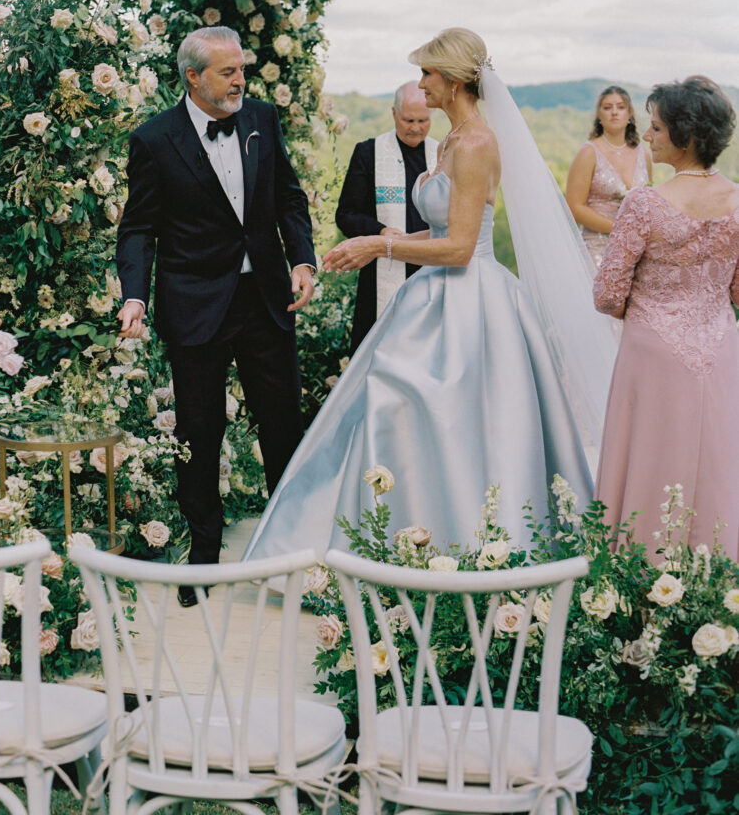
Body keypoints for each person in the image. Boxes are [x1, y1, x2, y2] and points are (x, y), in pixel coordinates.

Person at [244, 28, 617, 564]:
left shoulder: (479, 143)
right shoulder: (450, 140)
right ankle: (396, 539)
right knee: (393, 402)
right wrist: (380, 246)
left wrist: (381, 244)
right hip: (433, 296)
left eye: (427, 73)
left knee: (458, 422)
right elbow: (438, 232)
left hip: (474, 305)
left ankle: (472, 545)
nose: (421, 84)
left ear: (454, 78)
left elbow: (462, 248)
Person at [116, 26, 316, 604]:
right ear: (193, 78)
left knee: (282, 427)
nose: (240, 80)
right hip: (195, 306)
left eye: (242, 69)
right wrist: (135, 296)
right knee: (199, 434)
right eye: (228, 71)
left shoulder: (261, 120)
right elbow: (138, 230)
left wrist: (302, 259)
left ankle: (291, 553)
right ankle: (203, 558)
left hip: (266, 303)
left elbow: (288, 198)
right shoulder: (154, 140)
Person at [594, 76, 739, 562]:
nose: (648, 136)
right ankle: (718, 574)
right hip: (719, 346)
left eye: (656, 128)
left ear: (687, 135)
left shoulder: (644, 203)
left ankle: (638, 575)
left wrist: (652, 310)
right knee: (718, 460)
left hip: (651, 353)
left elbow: (608, 293)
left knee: (649, 460)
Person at [335, 82, 438, 352]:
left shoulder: (443, 156)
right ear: (394, 114)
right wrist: (379, 232)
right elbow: (346, 214)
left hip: (431, 268)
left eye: (423, 120)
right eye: (408, 120)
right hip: (382, 270)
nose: (416, 127)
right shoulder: (368, 153)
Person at [565, 85, 651, 267]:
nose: (614, 112)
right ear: (599, 115)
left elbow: (649, 203)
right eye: (607, 107)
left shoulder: (643, 154)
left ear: (630, 114)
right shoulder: (588, 153)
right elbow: (574, 206)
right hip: (597, 248)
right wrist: (619, 229)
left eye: (620, 107)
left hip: (634, 249)